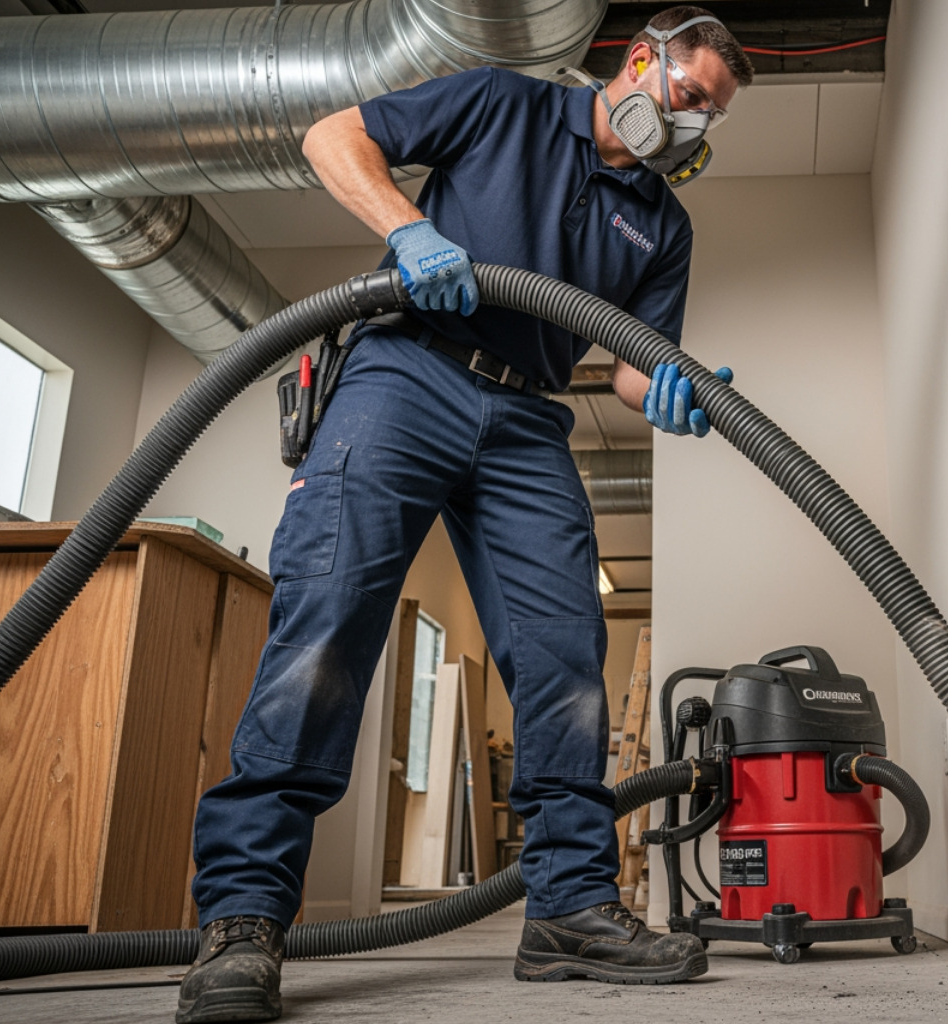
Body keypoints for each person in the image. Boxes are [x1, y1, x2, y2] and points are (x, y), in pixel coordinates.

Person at [175, 8, 754, 1022]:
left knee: (568, 652)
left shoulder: (663, 222)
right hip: (406, 373)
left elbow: (626, 366)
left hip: (530, 418)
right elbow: (332, 137)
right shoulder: (504, 104)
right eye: (689, 94)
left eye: (711, 115)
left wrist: (677, 391)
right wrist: (408, 228)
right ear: (638, 62)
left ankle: (570, 907)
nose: (694, 123)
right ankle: (243, 918)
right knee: (327, 625)